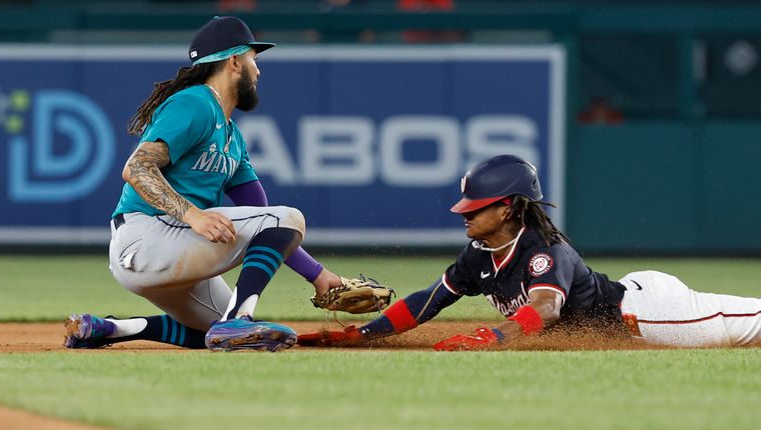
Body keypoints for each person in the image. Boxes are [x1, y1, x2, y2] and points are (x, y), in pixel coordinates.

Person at [64, 16, 345, 352]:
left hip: (172, 251)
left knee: (213, 331)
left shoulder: (233, 137)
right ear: (235, 60)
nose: (258, 71)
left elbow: (263, 218)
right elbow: (136, 169)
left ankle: (108, 329)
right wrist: (194, 215)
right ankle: (234, 320)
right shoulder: (194, 103)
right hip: (145, 237)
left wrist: (319, 276)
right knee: (290, 217)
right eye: (255, 59)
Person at [299, 155, 761, 350]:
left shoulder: (547, 250)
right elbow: (429, 300)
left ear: (506, 208)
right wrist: (366, 334)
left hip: (649, 315)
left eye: (475, 209)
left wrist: (494, 337)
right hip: (631, 295)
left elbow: (546, 307)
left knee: (751, 325)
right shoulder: (478, 254)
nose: (465, 216)